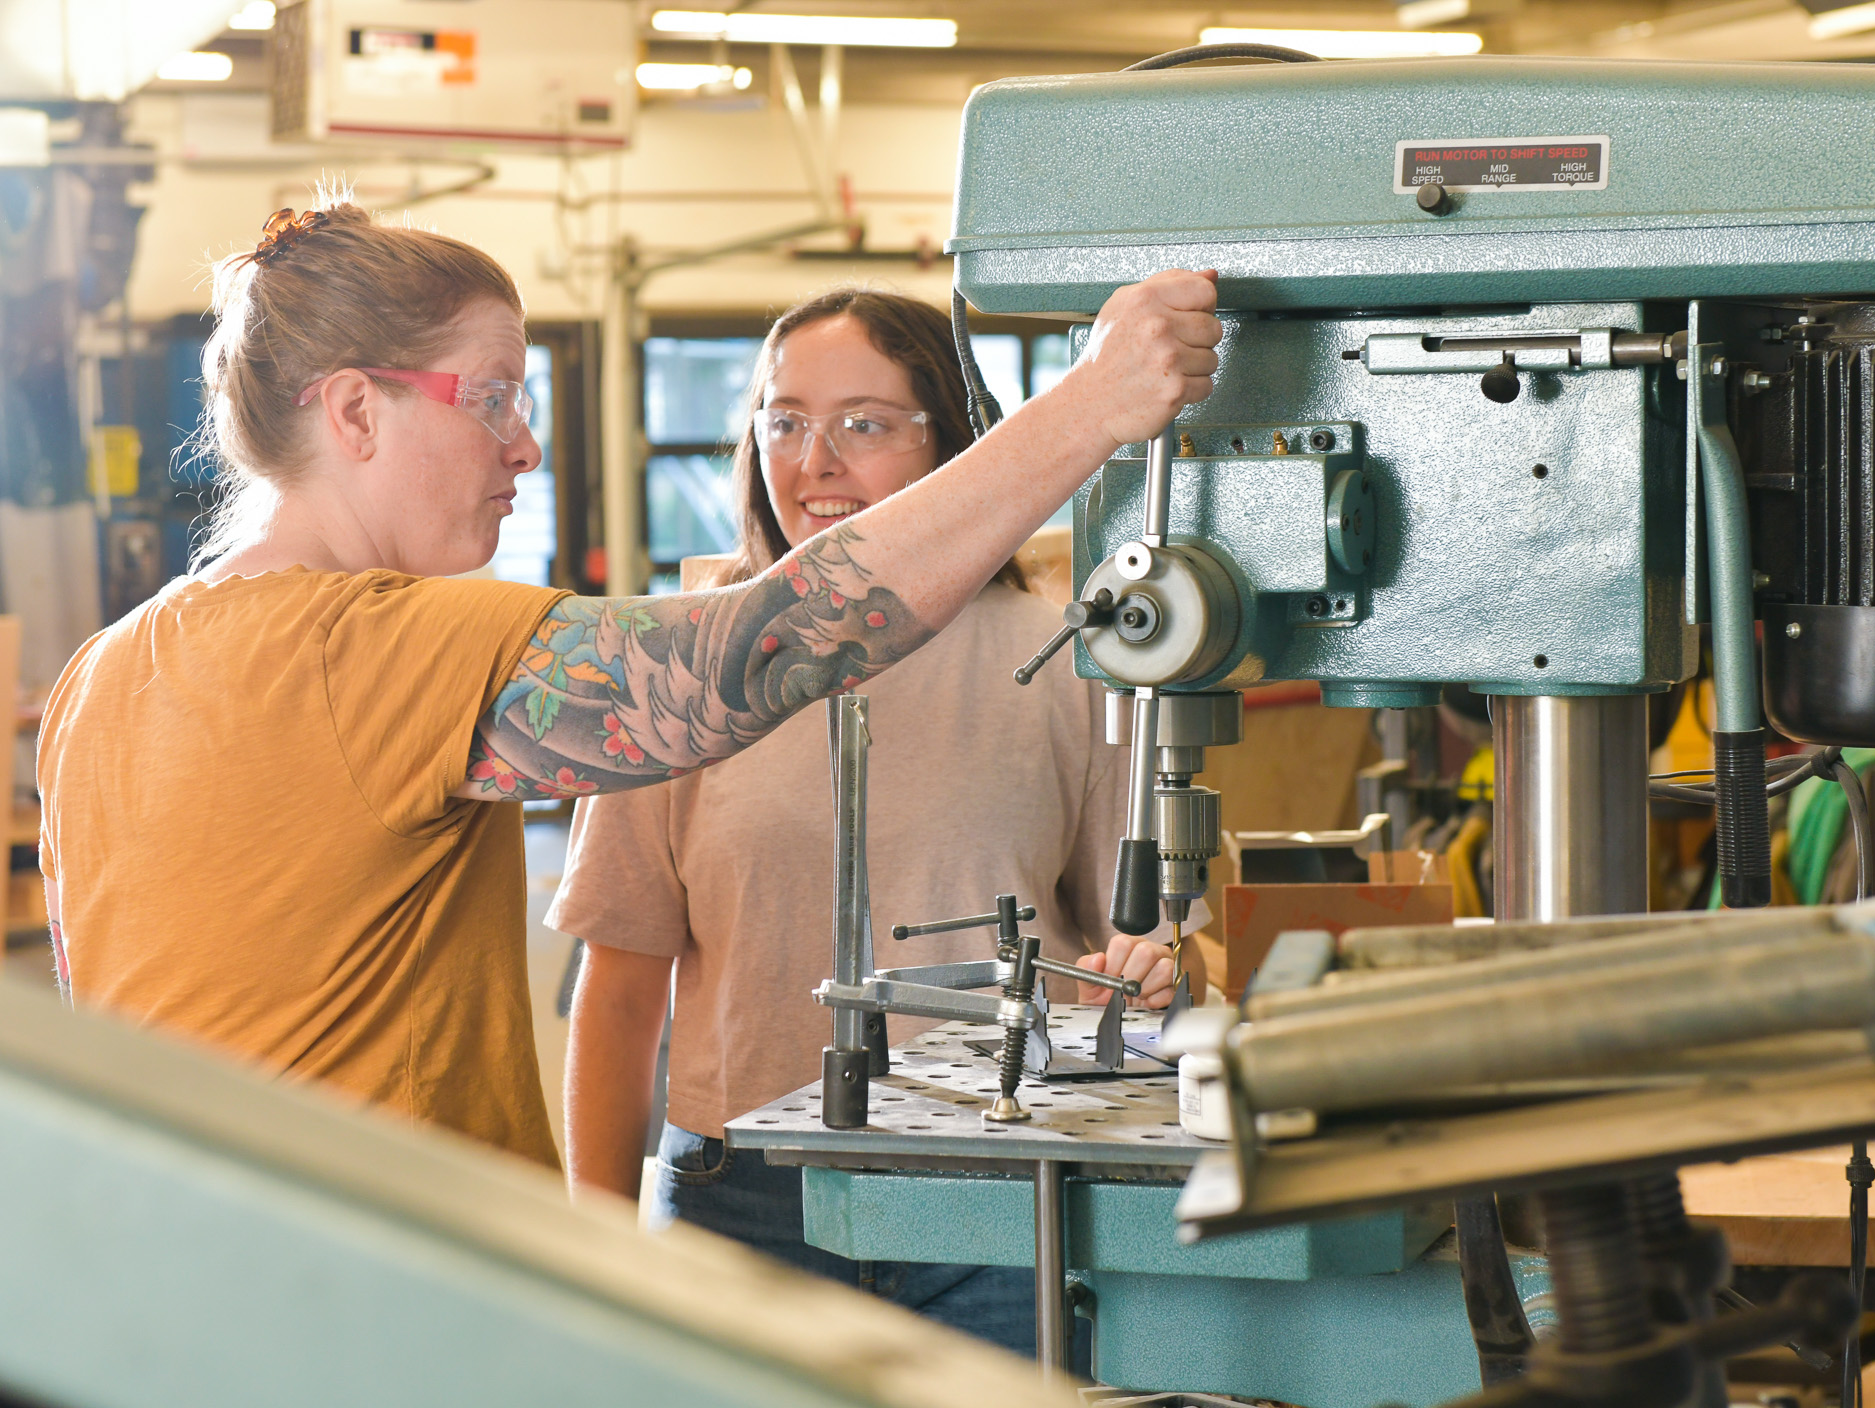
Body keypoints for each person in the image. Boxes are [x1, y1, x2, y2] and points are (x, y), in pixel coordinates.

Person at [35, 197, 1221, 1173]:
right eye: (492, 396)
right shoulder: (385, 640)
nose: (525, 447)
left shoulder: (103, 671)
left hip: (180, 1260)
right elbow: (761, 648)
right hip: (378, 1292)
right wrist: (1092, 405)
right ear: (355, 409)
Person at [545, 289, 1210, 1354]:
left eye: (862, 423)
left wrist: (1156, 960)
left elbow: (1139, 937)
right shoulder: (684, 667)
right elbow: (618, 994)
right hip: (744, 1202)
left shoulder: (1065, 659)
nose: (813, 458)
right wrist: (595, 1247)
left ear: (948, 439)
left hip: (1003, 1188)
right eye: (783, 418)